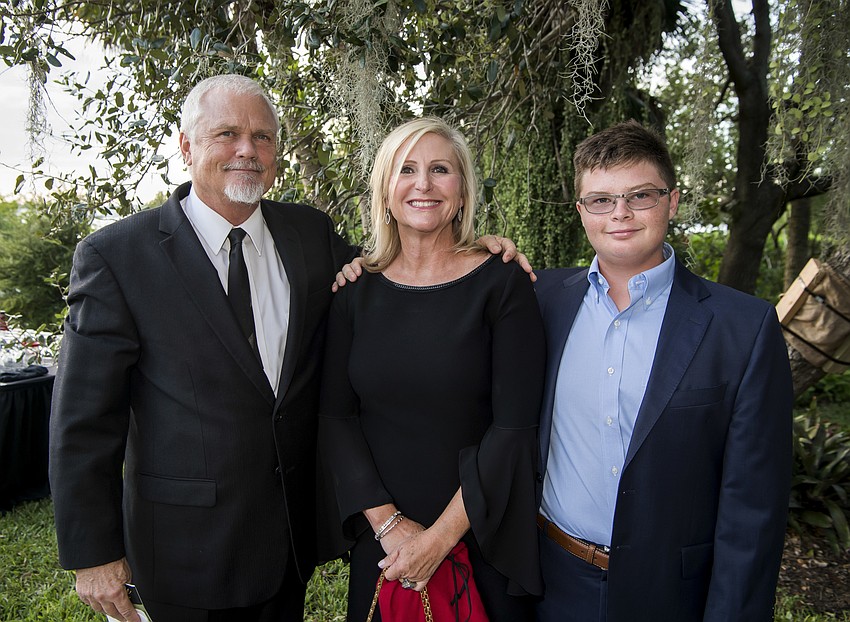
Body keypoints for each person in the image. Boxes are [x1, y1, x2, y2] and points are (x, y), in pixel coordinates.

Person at [49, 75, 525, 622]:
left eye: (263, 137)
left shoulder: (311, 237)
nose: (247, 150)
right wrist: (94, 554)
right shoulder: (117, 257)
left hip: (286, 546)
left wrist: (478, 250)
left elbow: (407, 273)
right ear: (186, 146)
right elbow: (84, 420)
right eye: (226, 134)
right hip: (181, 552)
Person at [534, 120, 793, 622]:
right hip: (549, 583)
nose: (621, 213)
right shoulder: (537, 300)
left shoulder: (743, 327)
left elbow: (753, 511)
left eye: (641, 196)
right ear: (581, 211)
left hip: (672, 596)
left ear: (672, 202)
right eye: (602, 200)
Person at [319, 117, 545, 621]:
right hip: (383, 547)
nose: (423, 184)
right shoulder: (353, 292)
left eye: (440, 169)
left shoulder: (503, 284)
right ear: (385, 193)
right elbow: (336, 418)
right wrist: (389, 526)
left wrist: (438, 539)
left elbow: (513, 430)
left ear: (462, 193)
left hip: (481, 537)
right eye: (407, 170)